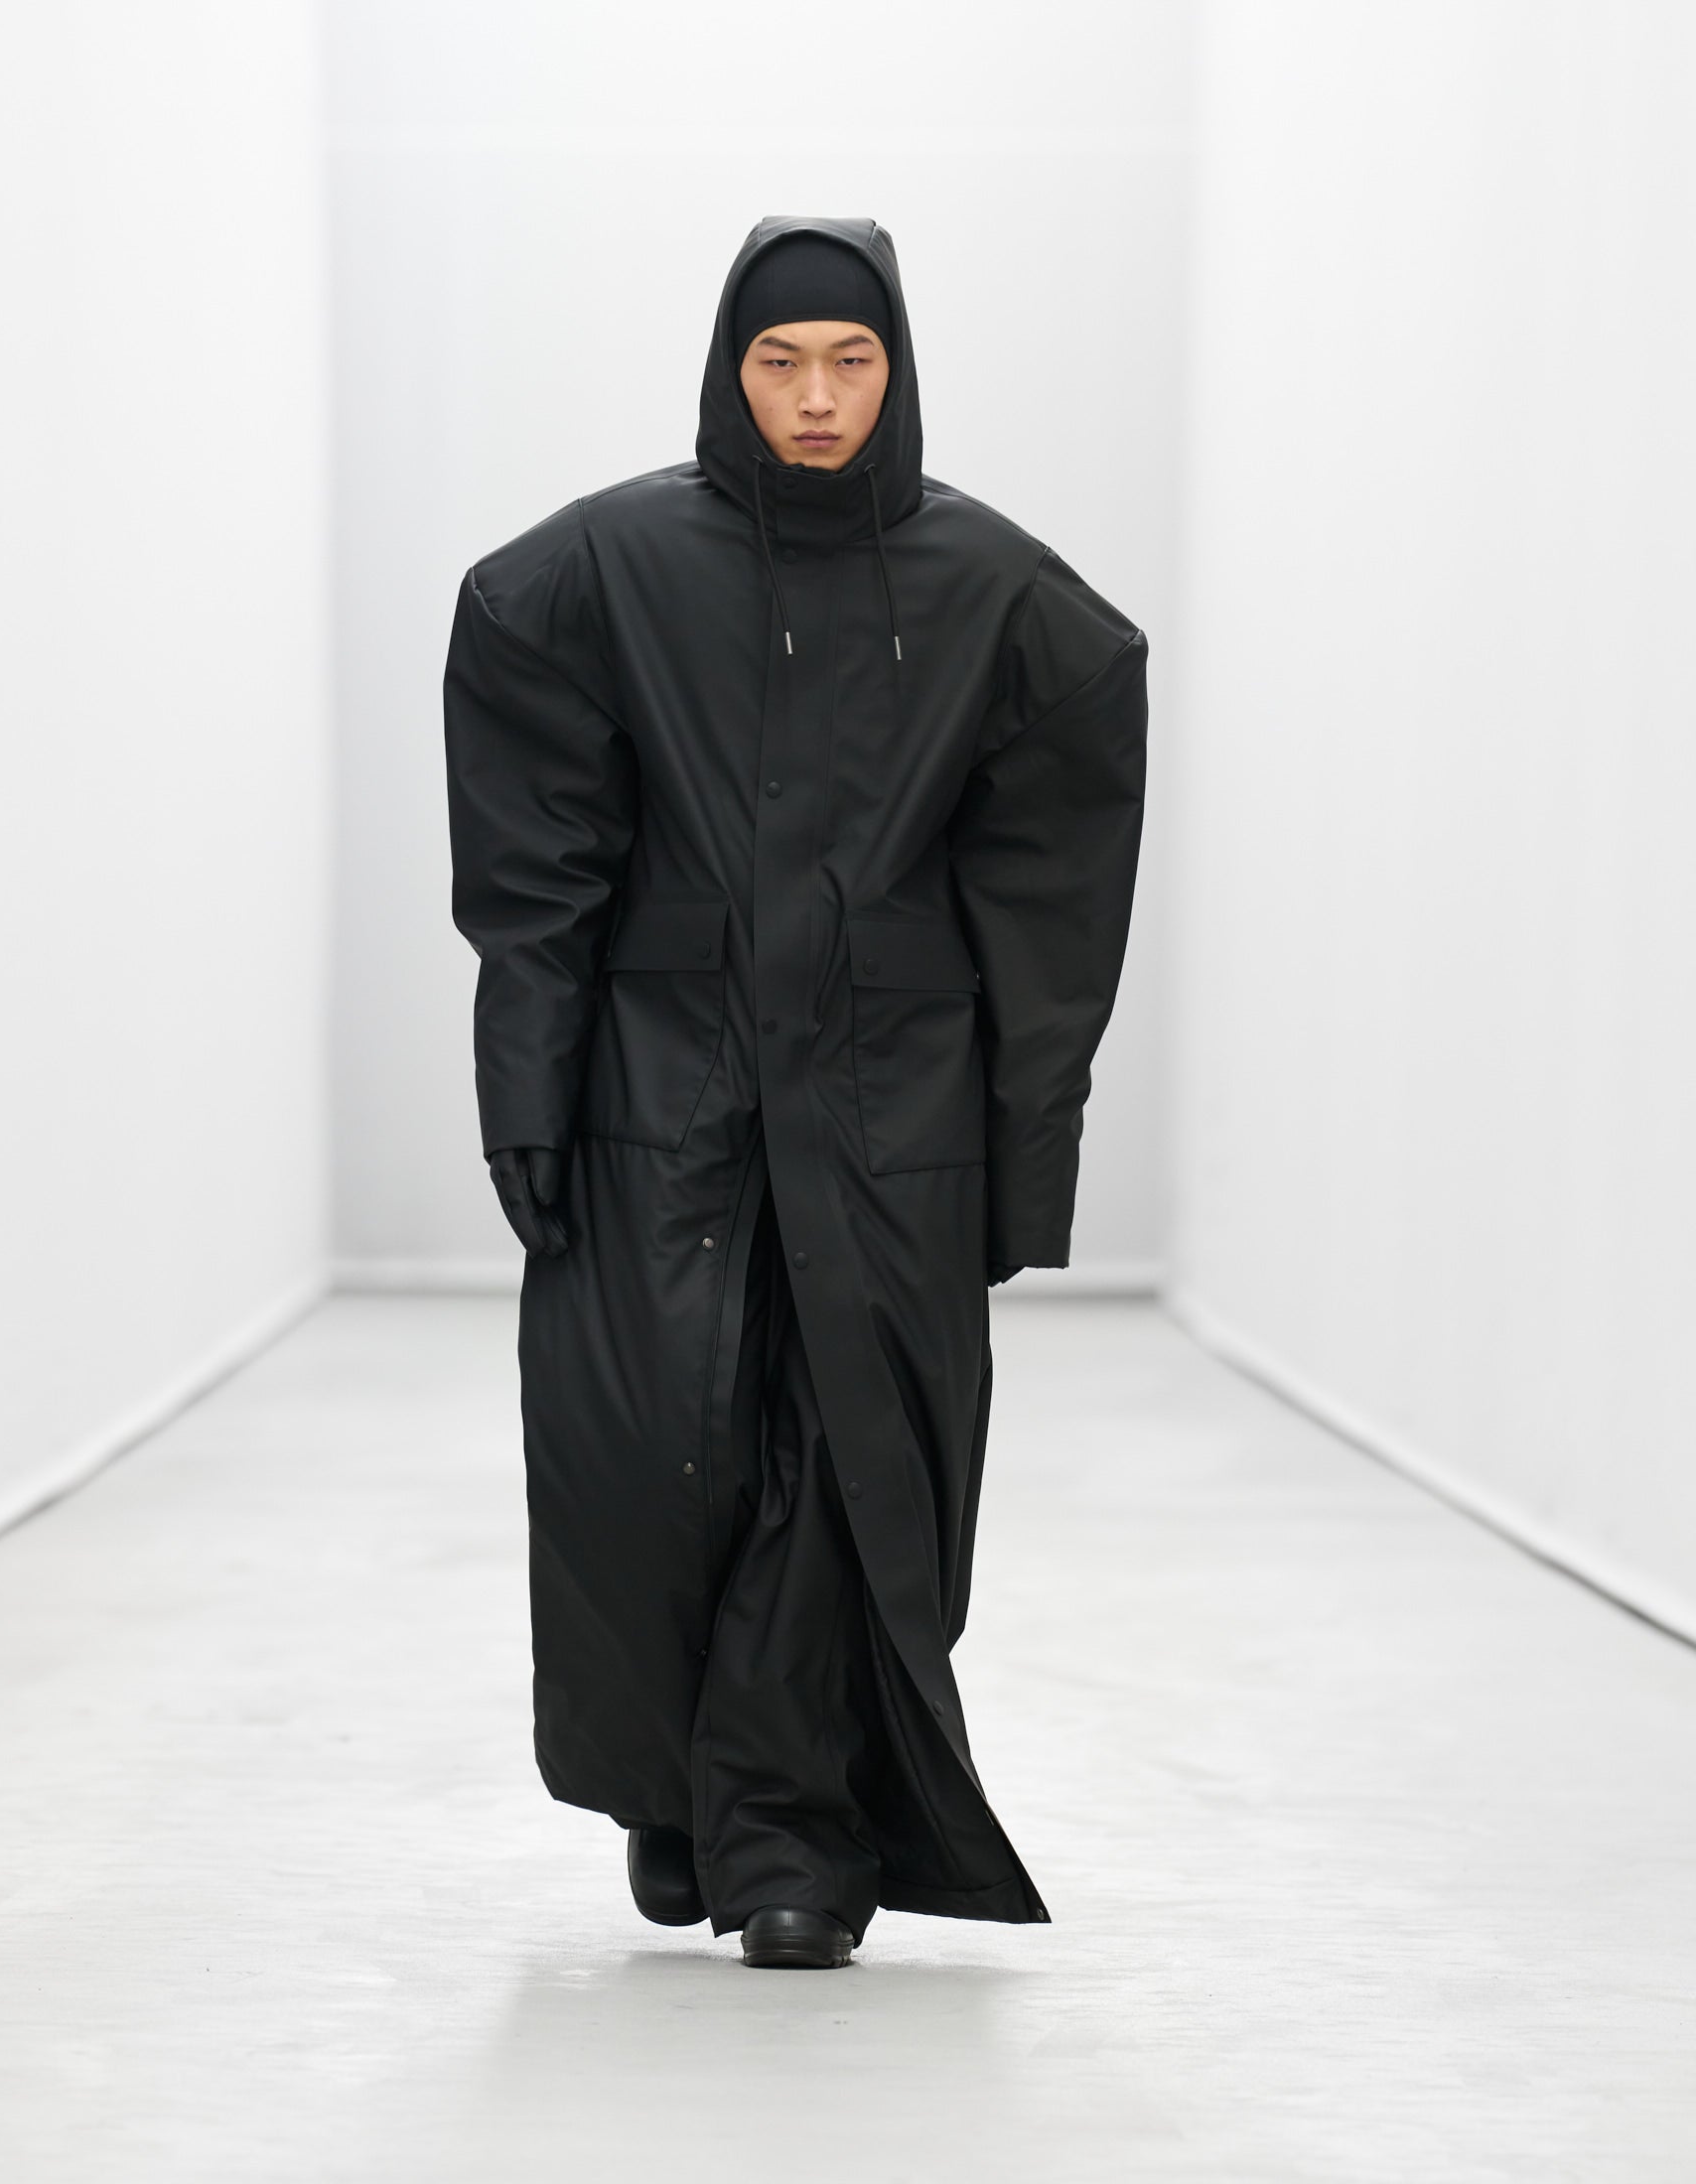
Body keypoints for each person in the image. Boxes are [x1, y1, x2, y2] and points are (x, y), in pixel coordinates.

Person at [443, 216, 1147, 1971]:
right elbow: (536, 857)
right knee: (650, 1455)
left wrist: (1027, 1150)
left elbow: (1053, 896)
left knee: (852, 1463)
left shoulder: (993, 592)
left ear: (896, 369)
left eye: (850, 359)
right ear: (727, 368)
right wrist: (527, 1083)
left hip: (888, 1102)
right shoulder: (607, 569)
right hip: (661, 1086)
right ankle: (683, 1795)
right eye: (779, 361)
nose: (816, 396)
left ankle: (791, 1847)